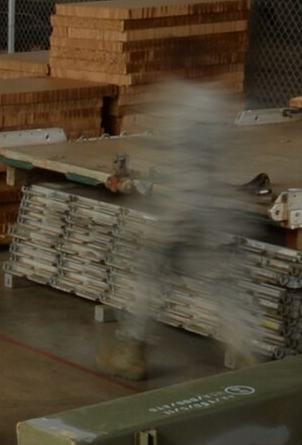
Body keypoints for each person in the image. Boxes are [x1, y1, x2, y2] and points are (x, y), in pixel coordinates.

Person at [97, 82, 265, 381]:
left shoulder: (176, 101)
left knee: (148, 273)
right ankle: (243, 350)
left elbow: (161, 161)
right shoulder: (217, 104)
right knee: (221, 282)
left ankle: (132, 352)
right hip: (213, 207)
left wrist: (127, 184)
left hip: (180, 209)